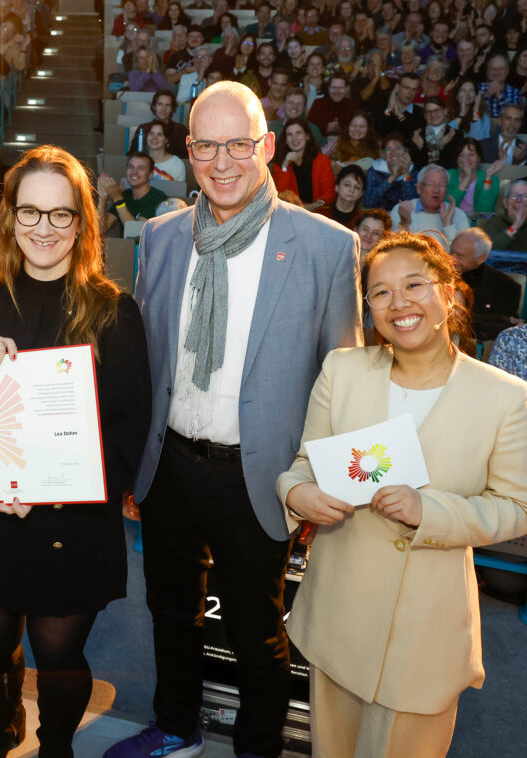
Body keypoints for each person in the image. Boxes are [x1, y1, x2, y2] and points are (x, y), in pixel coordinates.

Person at [104, 80, 361, 758]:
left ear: (267, 146)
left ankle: (256, 747)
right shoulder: (160, 237)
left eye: (239, 144)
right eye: (207, 145)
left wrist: (322, 486)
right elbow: (144, 359)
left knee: (257, 630)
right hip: (171, 466)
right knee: (169, 612)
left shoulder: (327, 248)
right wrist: (133, 462)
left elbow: (346, 380)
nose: (223, 162)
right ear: (188, 151)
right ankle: (176, 728)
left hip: (264, 473)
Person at [0, 144, 151, 757]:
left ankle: (57, 741)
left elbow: (130, 431)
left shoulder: (113, 311)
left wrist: (50, 493)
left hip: (73, 521)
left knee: (59, 655)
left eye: (60, 215)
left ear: (82, 223)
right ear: (10, 219)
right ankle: (4, 719)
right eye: (29, 212)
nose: (43, 229)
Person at [279, 232, 527, 757]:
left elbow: (517, 508)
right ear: (367, 306)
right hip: (338, 611)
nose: (399, 303)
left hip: (426, 627)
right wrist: (299, 494)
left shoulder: (504, 398)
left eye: (415, 284)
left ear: (450, 293)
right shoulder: (343, 371)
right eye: (380, 292)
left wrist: (429, 510)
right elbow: (304, 464)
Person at [449, 227, 522, 340]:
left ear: (481, 259)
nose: (451, 259)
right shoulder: (437, 273)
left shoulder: (505, 287)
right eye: (451, 251)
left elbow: (502, 330)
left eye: (460, 256)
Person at [270, 118, 336, 212]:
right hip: (291, 213)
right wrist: (285, 166)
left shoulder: (322, 161)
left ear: (307, 136)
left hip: (318, 212)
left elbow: (329, 193)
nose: (294, 138)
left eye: (298, 133)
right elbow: (280, 195)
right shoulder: (280, 164)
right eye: (290, 135)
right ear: (286, 140)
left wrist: (314, 206)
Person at [391, 163, 470, 241]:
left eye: (442, 185)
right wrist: (404, 224)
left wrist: (448, 225)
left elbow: (461, 253)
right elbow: (393, 250)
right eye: (431, 184)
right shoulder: (402, 210)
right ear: (419, 188)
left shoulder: (458, 215)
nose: (436, 190)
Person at [97, 152, 168, 237]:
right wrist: (102, 198)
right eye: (131, 167)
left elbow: (136, 235)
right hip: (124, 248)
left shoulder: (158, 198)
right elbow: (100, 231)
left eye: (141, 168)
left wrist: (118, 200)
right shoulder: (125, 195)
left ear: (150, 174)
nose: (134, 172)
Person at [447, 139, 503, 216]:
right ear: (456, 159)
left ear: (479, 158)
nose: (466, 159)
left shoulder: (492, 179)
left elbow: (484, 212)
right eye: (461, 155)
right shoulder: (447, 176)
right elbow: (447, 208)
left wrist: (488, 178)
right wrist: (466, 178)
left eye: (471, 155)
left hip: (478, 224)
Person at [363, 134, 419, 210]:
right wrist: (391, 178)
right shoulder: (373, 172)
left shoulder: (414, 173)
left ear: (406, 151)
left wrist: (406, 174)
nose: (393, 152)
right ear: (383, 154)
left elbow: (413, 202)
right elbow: (368, 202)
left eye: (398, 148)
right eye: (388, 149)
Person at [128, 90, 188, 160]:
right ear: (154, 106)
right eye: (160, 104)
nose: (163, 109)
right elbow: (132, 154)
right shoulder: (143, 128)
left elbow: (186, 156)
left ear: (172, 108)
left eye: (167, 105)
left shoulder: (181, 130)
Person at [479, 178, 527, 252]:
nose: (519, 200)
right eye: (514, 196)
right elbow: (486, 251)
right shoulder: (493, 223)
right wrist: (514, 228)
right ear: (505, 203)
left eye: (525, 197)